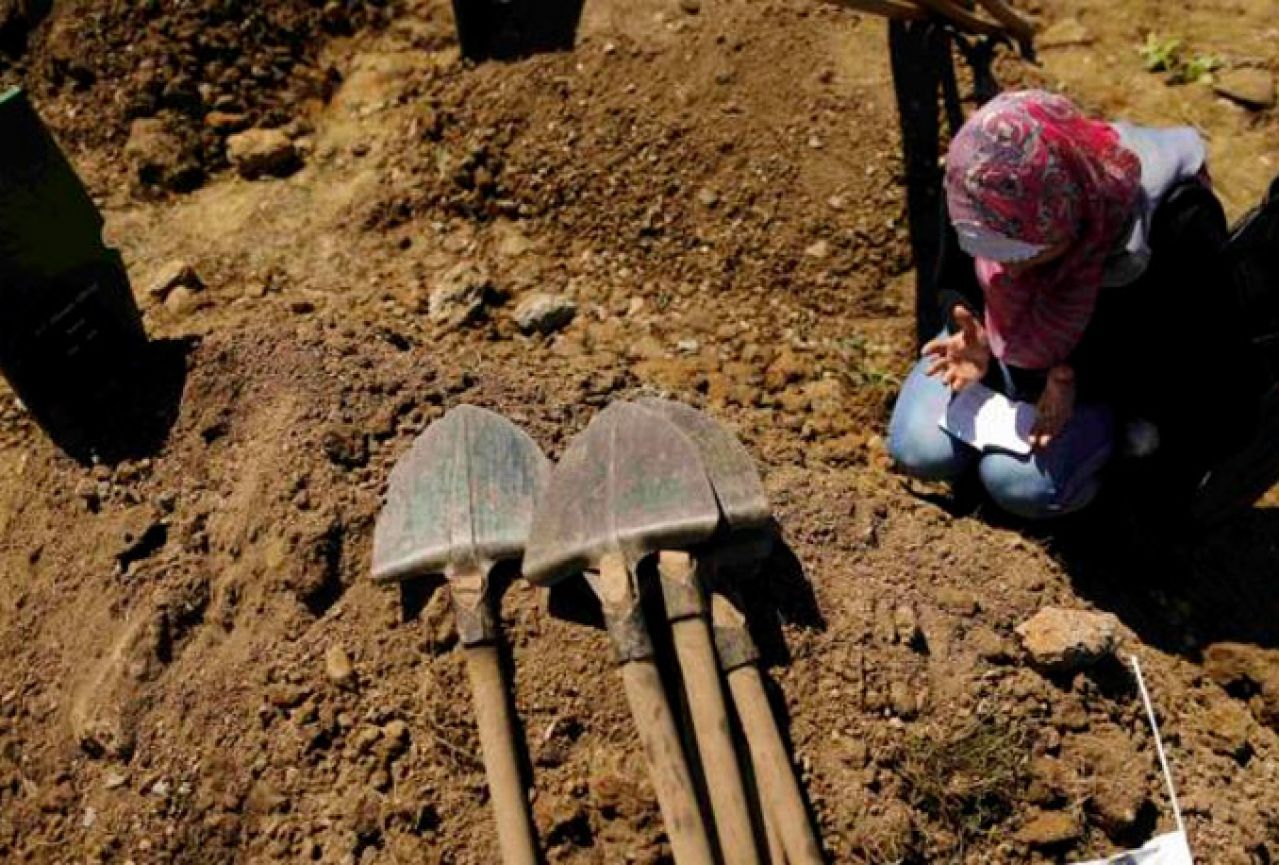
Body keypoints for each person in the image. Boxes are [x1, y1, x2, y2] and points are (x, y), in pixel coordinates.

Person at [887, 89, 1271, 520]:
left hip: (1110, 381)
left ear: (1066, 213)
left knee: (1015, 483)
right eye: (987, 249)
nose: (1006, 271)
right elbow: (957, 278)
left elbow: (1197, 367)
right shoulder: (982, 179)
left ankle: (1095, 498)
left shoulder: (1173, 227)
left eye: (1022, 252)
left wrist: (1078, 381)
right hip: (1003, 351)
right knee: (918, 448)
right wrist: (970, 330)